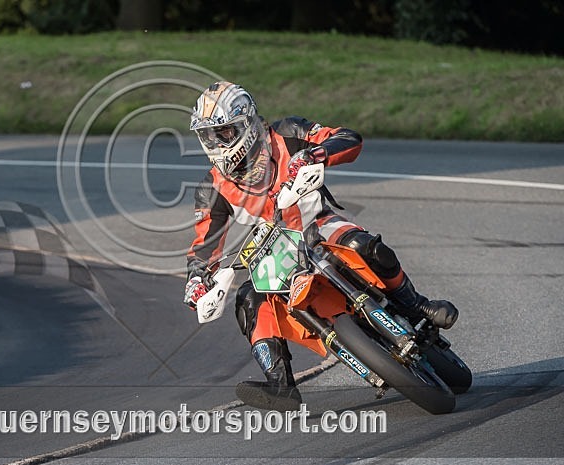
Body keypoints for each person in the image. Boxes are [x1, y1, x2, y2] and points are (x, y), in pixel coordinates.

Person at [183, 81, 458, 410]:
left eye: (224, 132)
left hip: (319, 225)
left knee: (364, 245)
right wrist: (197, 280)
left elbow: (348, 138)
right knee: (248, 298)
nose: (217, 143)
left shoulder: (286, 132)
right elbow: (204, 245)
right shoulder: (210, 187)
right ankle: (280, 385)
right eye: (209, 136)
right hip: (274, 252)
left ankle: (416, 305)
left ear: (245, 124)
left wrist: (313, 155)